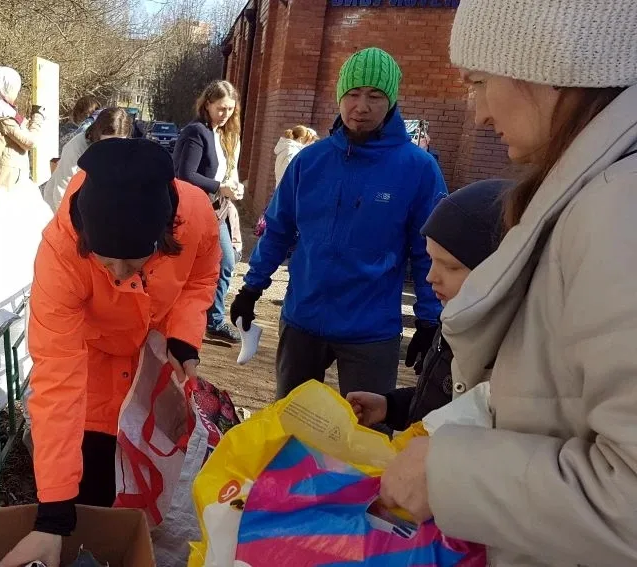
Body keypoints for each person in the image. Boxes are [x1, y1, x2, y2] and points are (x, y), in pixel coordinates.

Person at [379, 2, 637, 566]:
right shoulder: (592, 199)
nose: (476, 114)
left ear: (544, 64)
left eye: (478, 81)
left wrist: (449, 475)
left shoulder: (620, 208)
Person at [0, 138, 220, 567]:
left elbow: (199, 278)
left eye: (134, 263)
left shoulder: (194, 213)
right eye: (105, 263)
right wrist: (53, 515)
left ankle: (129, 539)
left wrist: (184, 335)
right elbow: (57, 381)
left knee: (149, 474)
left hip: (152, 362)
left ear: (164, 234)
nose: (118, 276)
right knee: (91, 479)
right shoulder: (60, 255)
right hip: (93, 363)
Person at [230, 47, 447, 401]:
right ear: (340, 96)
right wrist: (251, 288)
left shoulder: (418, 169)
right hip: (304, 319)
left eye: (375, 95)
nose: (361, 106)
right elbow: (278, 228)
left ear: (391, 100)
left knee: (366, 438)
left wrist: (429, 319)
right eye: (352, 94)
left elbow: (428, 252)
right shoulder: (310, 161)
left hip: (370, 330)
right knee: (290, 429)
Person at [346, 178, 509, 431]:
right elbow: (440, 401)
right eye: (431, 260)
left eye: (451, 266)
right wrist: (391, 406)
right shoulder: (456, 321)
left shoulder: (509, 355)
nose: (430, 276)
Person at [173, 80, 245, 344]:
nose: (225, 114)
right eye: (221, 108)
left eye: (230, 109)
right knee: (197, 266)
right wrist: (220, 187)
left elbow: (225, 171)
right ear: (207, 104)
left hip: (218, 210)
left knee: (225, 263)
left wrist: (233, 186)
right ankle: (196, 321)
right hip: (195, 210)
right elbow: (185, 174)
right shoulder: (196, 132)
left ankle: (211, 321)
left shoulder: (224, 133)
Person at [41, 107, 131, 211]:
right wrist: (69, 223)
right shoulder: (76, 148)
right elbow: (62, 190)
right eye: (106, 142)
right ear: (97, 134)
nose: (111, 149)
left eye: (118, 144)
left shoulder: (124, 150)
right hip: (62, 205)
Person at [273, 124, 318, 189]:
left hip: (283, 190)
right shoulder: (292, 152)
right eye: (308, 141)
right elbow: (289, 176)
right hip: (286, 192)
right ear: (301, 139)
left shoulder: (288, 148)